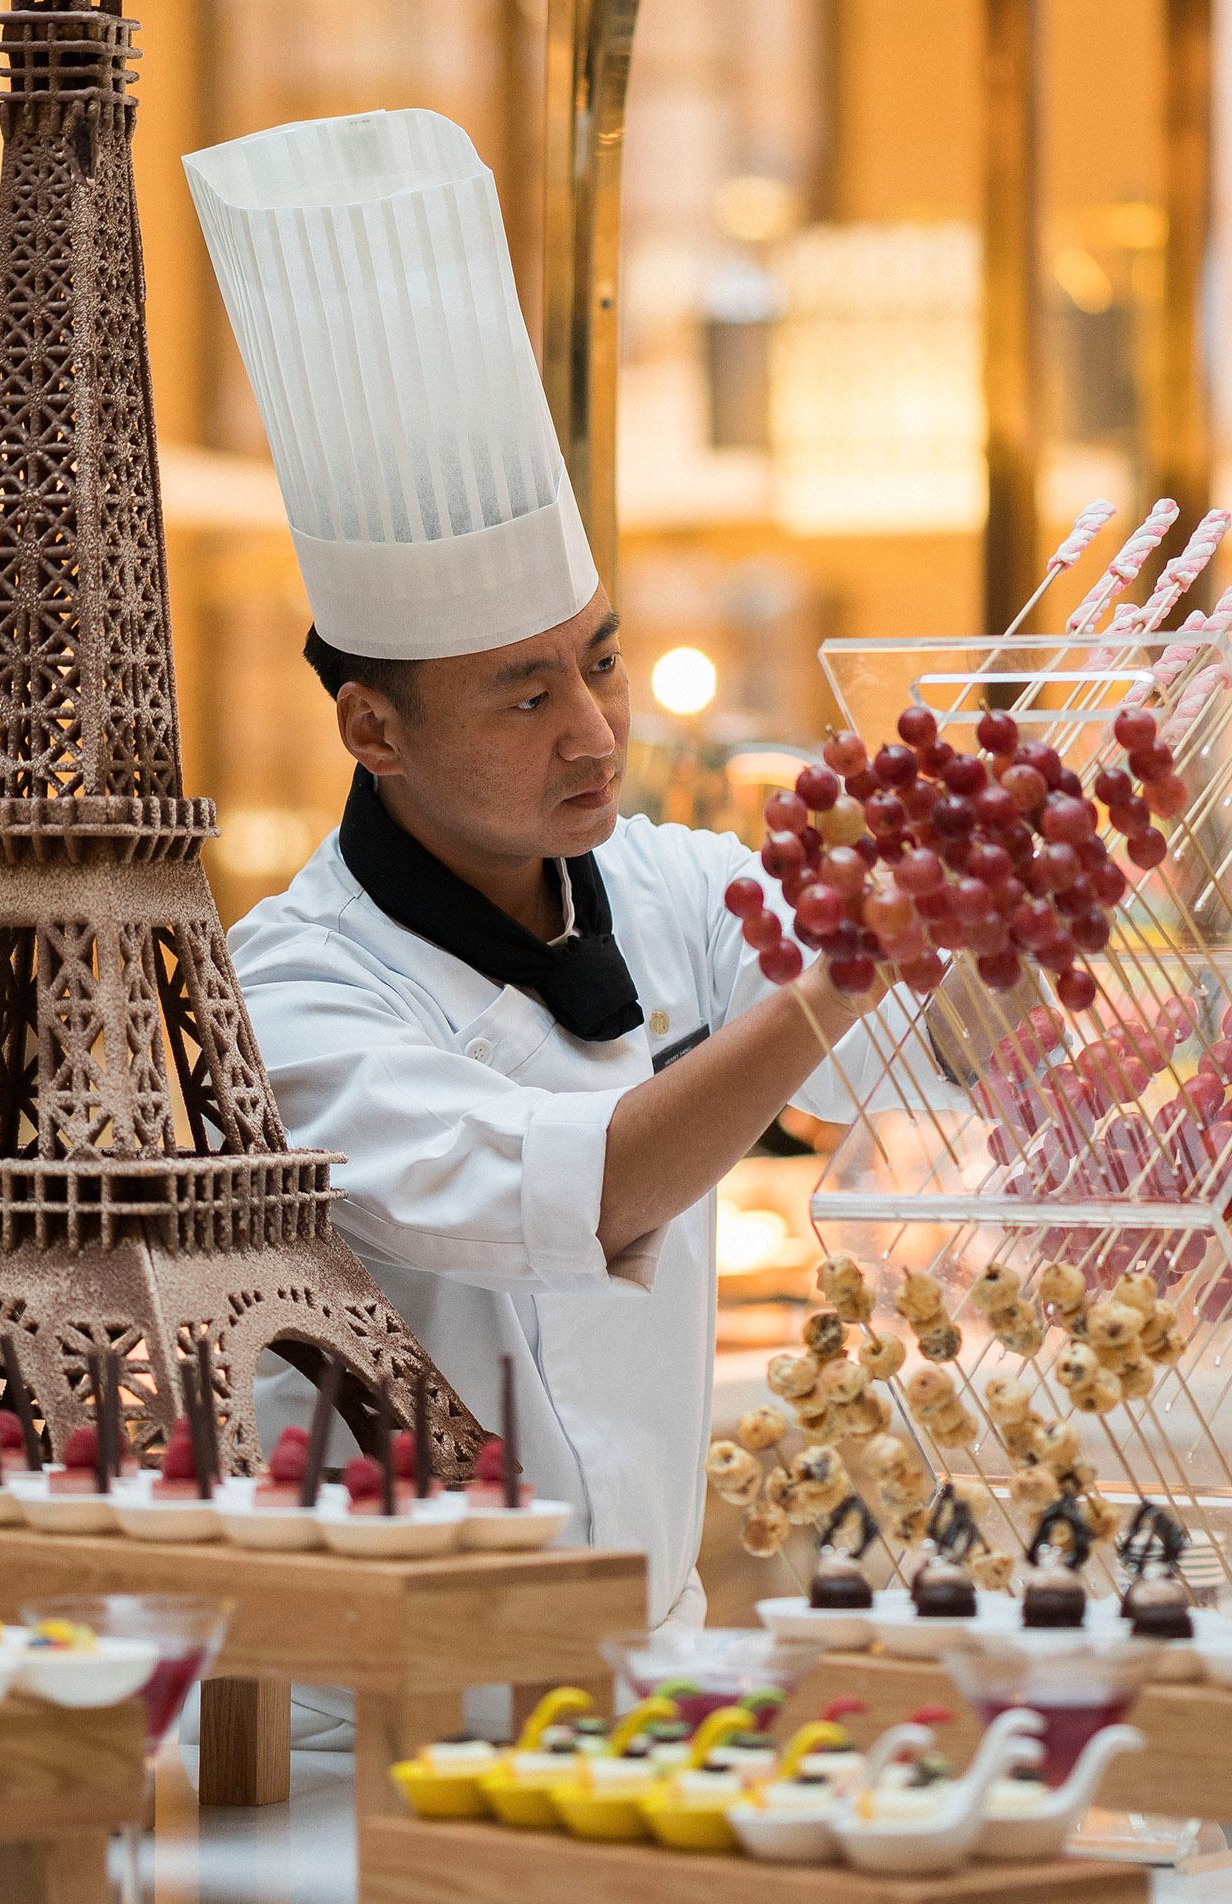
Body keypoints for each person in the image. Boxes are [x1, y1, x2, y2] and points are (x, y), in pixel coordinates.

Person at [187, 109, 873, 1623]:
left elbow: (919, 1061)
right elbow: (592, 1192)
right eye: (524, 691)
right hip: (374, 1728)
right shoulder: (289, 994)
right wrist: (846, 981)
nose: (595, 731)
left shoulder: (675, 886)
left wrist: (995, 917)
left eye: (602, 664)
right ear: (374, 727)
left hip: (651, 1662)